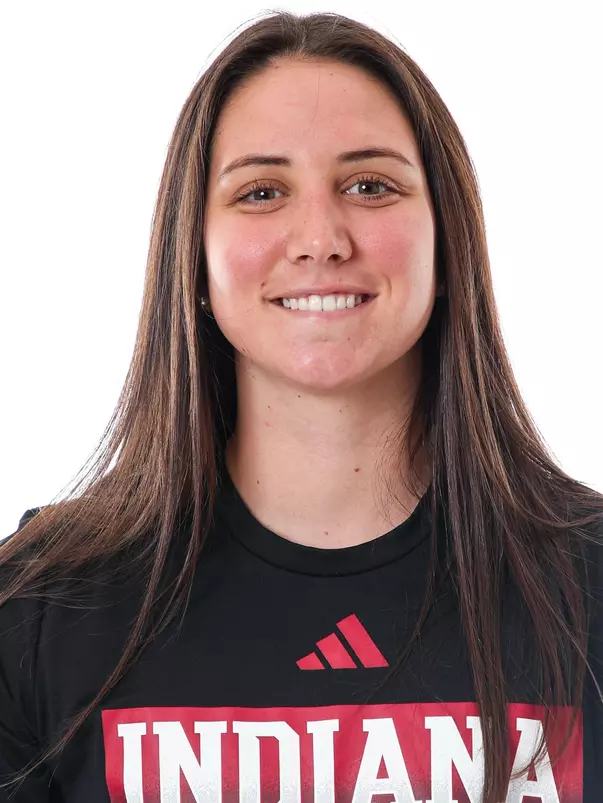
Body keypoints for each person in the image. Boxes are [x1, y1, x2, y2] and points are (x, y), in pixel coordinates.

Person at [1, 9, 601, 803]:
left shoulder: (587, 584)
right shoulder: (43, 605)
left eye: (368, 184)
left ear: (445, 239)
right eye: (260, 191)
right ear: (197, 258)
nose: (319, 236)